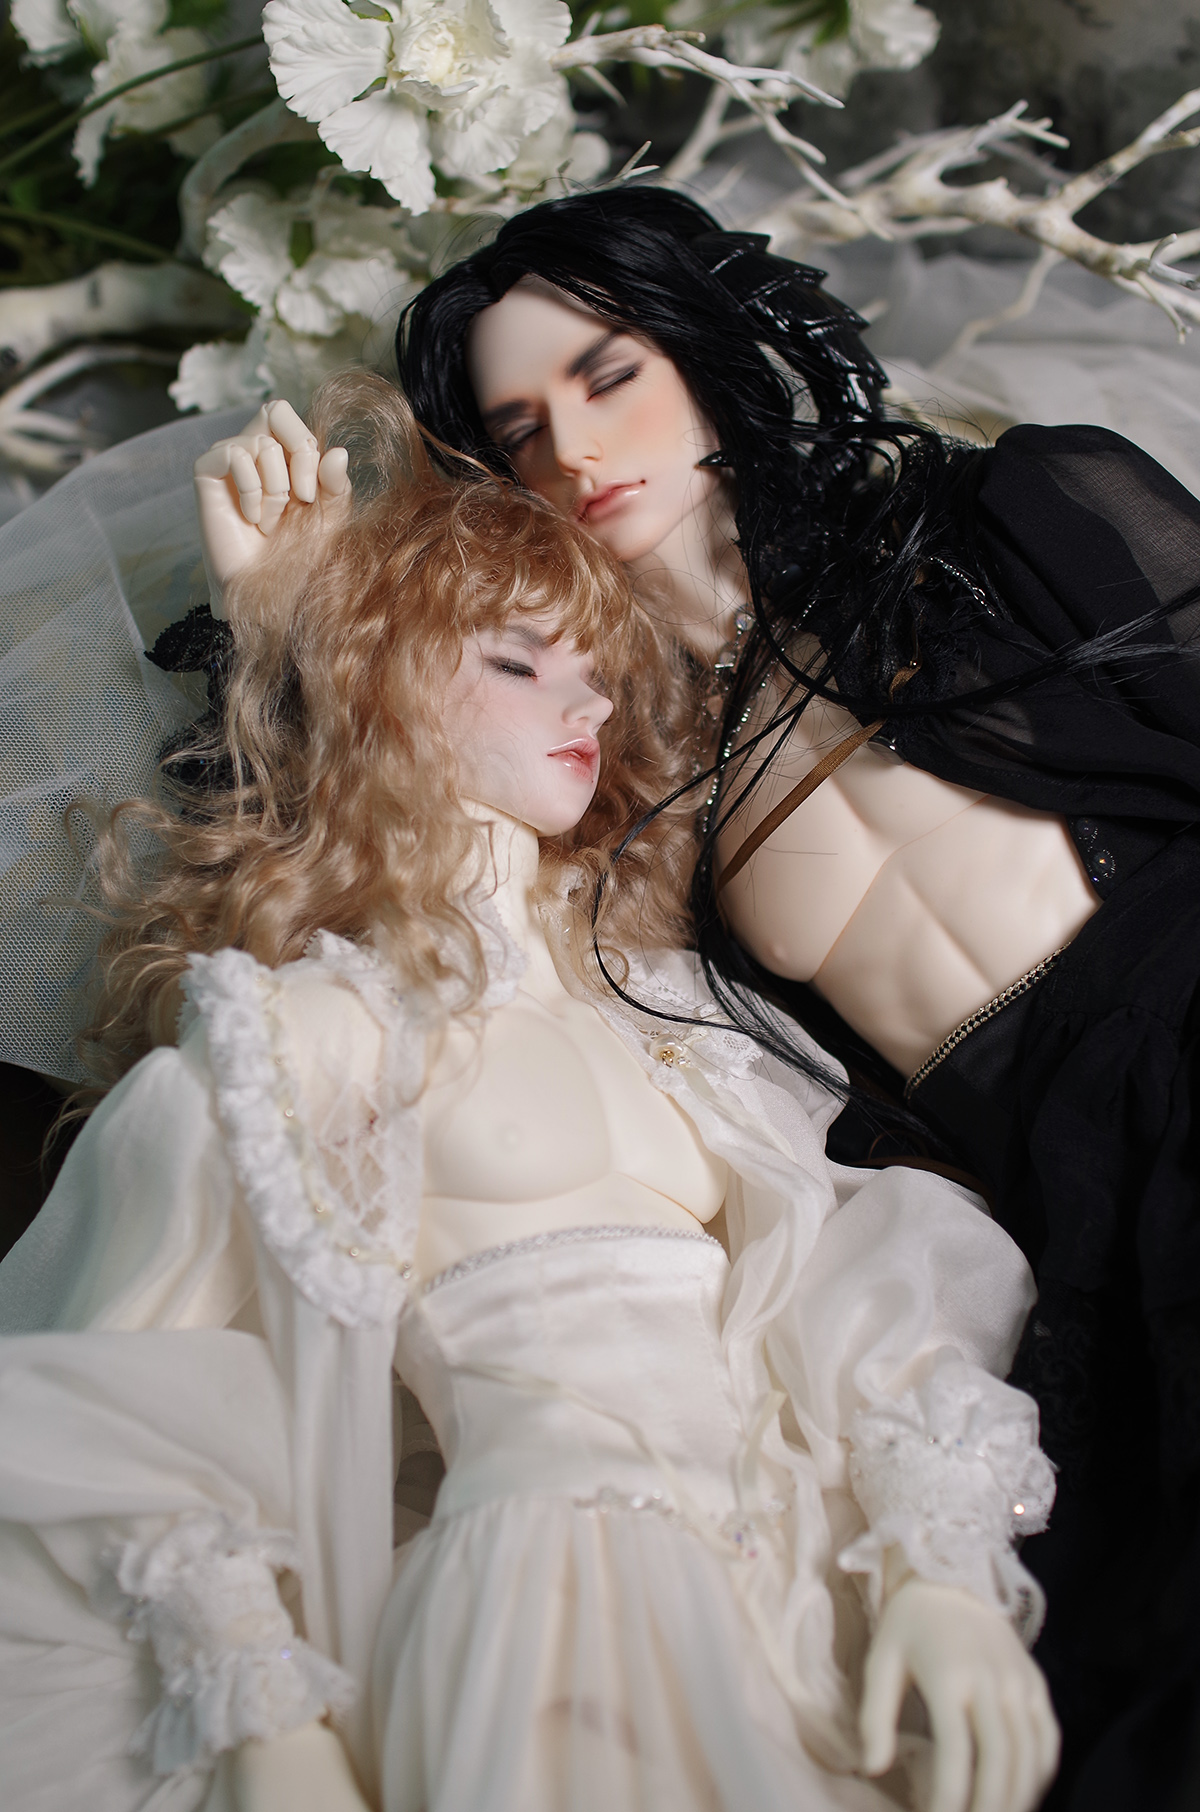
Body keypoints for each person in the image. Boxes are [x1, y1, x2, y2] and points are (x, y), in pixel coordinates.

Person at [200, 186, 1200, 1809]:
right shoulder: (628, 774)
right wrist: (293, 614)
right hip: (1055, 1190)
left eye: (610, 374)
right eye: (518, 431)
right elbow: (426, 897)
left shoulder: (1009, 515)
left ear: (702, 354)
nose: (577, 447)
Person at [0, 371, 1059, 1812]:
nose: (589, 699)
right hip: (556, 1609)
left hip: (792, 1615)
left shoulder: (668, 1015)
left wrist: (937, 1565)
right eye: (516, 660)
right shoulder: (313, 1033)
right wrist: (268, 1726)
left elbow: (854, 1273)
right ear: (378, 689)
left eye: (594, 670)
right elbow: (131, 1407)